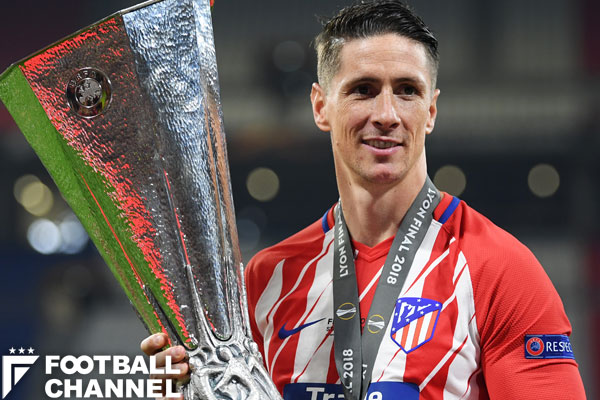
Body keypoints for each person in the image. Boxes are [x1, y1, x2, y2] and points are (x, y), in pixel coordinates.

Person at [142, 1, 586, 398]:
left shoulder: (499, 270)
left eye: (407, 90)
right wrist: (180, 391)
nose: (387, 115)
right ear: (321, 107)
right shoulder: (267, 279)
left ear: (431, 111)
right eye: (363, 89)